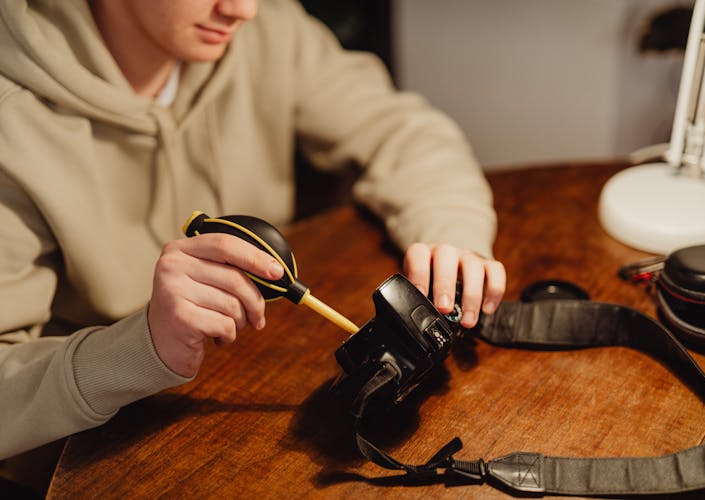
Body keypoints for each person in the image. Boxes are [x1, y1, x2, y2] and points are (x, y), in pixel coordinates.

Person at [0, 0, 504, 479]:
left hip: (268, 408)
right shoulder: (12, 123)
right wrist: (140, 347)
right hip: (89, 465)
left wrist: (450, 234)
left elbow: (404, 133)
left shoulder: (268, 31)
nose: (243, 9)